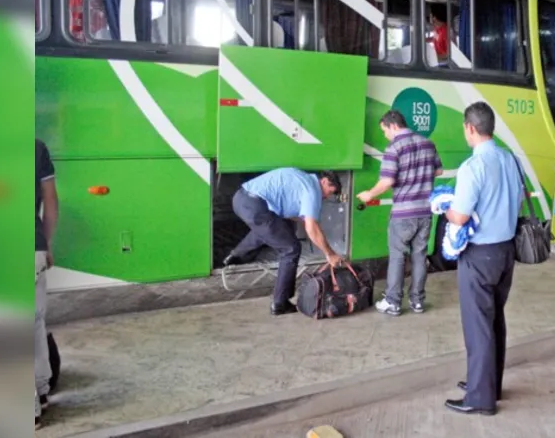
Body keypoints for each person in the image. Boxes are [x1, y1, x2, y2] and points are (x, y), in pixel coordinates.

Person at [441, 102, 522, 416]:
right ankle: (489, 384)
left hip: (479, 255)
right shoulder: (509, 159)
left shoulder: (472, 167)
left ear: (470, 128)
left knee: (478, 326)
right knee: (494, 320)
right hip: (506, 251)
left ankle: (480, 398)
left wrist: (443, 207)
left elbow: (459, 217)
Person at [223, 169, 344, 316]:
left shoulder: (303, 179)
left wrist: (308, 220)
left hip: (241, 198)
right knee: (291, 249)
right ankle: (280, 303)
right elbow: (311, 228)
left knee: (274, 228)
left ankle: (235, 256)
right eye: (329, 192)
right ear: (324, 181)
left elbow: (294, 214)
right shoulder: (313, 190)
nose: (326, 197)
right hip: (255, 206)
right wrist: (330, 254)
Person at [357, 111, 443, 316]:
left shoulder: (394, 148)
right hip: (424, 211)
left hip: (403, 213)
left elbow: (387, 181)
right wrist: (420, 176)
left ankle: (393, 302)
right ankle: (418, 302)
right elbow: (438, 171)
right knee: (419, 256)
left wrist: (369, 194)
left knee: (397, 256)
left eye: (384, 130)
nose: (385, 135)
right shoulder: (428, 143)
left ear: (393, 125)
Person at [35, 139, 59, 429]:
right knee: (36, 321)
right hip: (34, 247)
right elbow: (51, 201)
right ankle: (42, 393)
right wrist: (47, 243)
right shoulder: (36, 146)